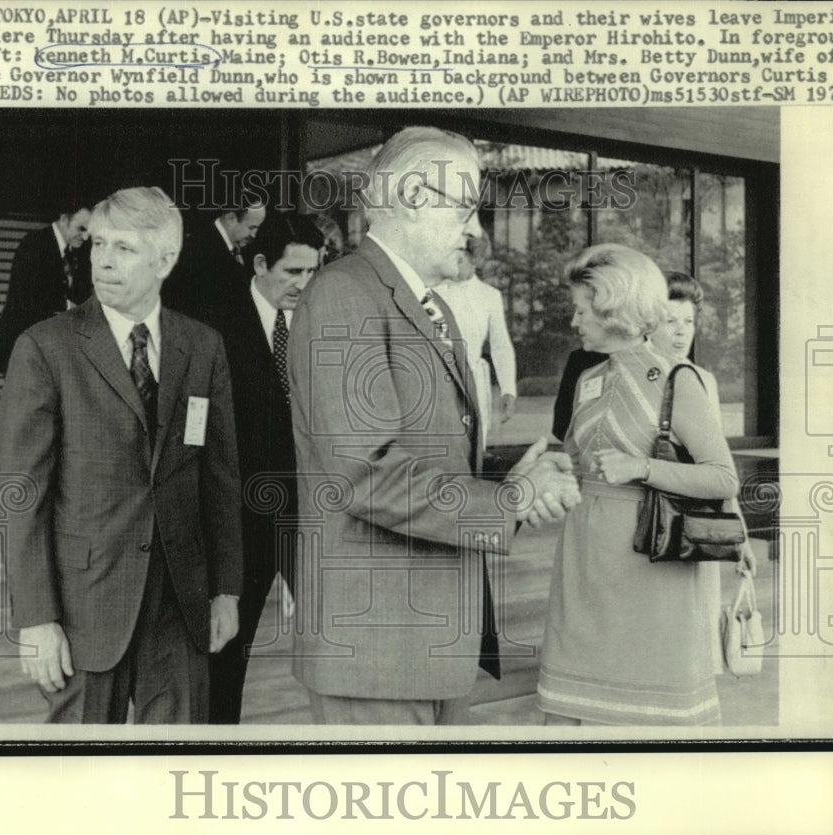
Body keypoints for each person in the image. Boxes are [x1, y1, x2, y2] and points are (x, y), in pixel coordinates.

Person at [287, 126, 581, 725]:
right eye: (467, 207)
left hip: (432, 644)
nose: (476, 230)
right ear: (417, 195)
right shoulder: (343, 295)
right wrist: (510, 501)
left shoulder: (433, 304)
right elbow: (367, 475)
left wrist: (509, 489)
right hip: (376, 652)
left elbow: (425, 461)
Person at [0, 186, 244, 724]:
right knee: (80, 778)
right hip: (86, 604)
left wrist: (225, 589)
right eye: (98, 243)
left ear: (166, 258)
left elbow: (219, 477)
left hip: (181, 603)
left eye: (124, 248)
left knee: (175, 768)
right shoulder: (45, 347)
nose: (102, 259)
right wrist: (36, 619)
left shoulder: (202, 346)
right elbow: (23, 496)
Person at [536, 244, 739, 726]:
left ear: (613, 308)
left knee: (648, 725)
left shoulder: (677, 379)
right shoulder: (587, 377)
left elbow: (722, 477)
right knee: (563, 712)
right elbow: (573, 457)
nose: (574, 321)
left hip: (650, 567)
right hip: (583, 565)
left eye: (582, 309)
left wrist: (642, 468)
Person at [198, 213, 324, 724]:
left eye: (313, 272)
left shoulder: (323, 323)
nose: (303, 284)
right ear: (259, 263)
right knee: (225, 655)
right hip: (238, 521)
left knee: (335, 648)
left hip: (311, 518)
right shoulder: (211, 322)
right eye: (292, 272)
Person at [649, 271, 757, 673]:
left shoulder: (702, 380)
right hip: (651, 521)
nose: (681, 333)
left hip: (699, 522)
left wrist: (740, 537)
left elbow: (719, 467)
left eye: (688, 322)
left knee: (696, 635)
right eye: (670, 321)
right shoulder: (636, 374)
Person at [0, 204, 92, 375]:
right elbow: (27, 297)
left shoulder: (75, 253)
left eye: (89, 231)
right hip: (25, 347)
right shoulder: (34, 244)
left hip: (49, 348)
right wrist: (70, 307)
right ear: (64, 219)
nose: (86, 236)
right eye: (81, 228)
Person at [434, 233, 517, 447]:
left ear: (475, 259)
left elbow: (501, 346)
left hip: (474, 381)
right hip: (439, 380)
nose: (456, 263)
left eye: (461, 258)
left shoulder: (489, 295)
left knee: (474, 445)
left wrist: (508, 389)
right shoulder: (431, 292)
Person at [163, 196, 266, 317]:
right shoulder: (199, 251)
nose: (254, 235)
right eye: (251, 228)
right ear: (231, 218)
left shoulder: (235, 250)